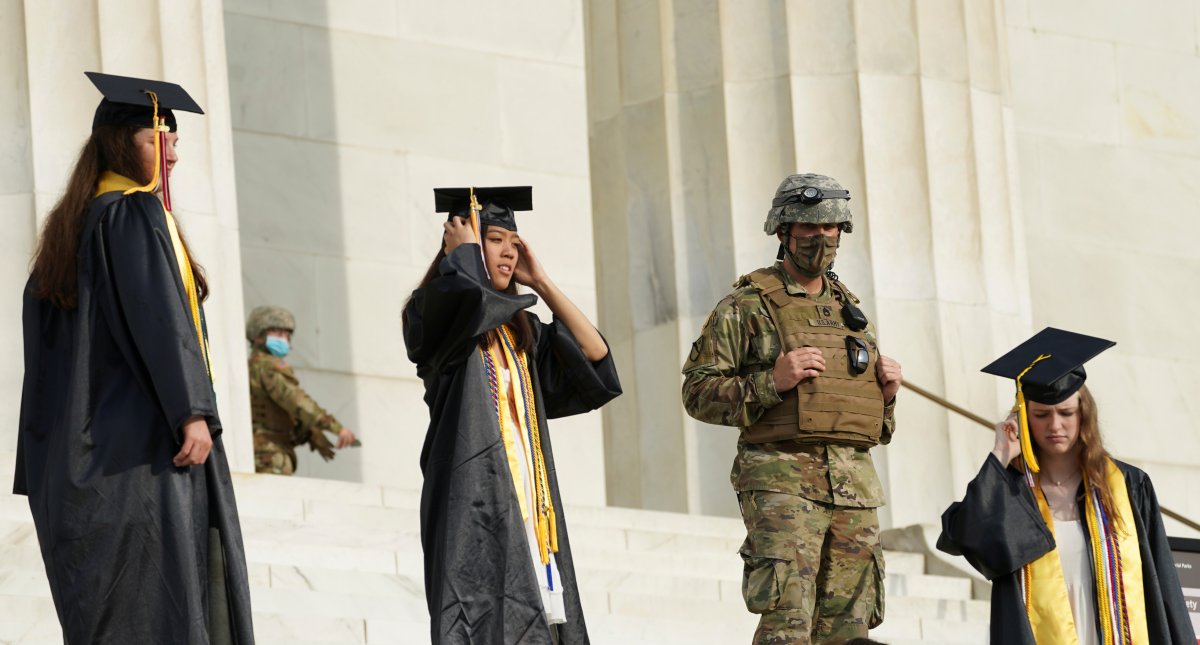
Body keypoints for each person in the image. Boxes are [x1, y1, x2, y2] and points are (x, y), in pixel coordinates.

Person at [13, 72, 254, 643]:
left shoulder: (67, 237)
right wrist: (190, 410)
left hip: (81, 470)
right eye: (156, 138)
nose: (171, 153)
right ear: (122, 143)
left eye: (173, 140)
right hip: (141, 456)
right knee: (162, 613)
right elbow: (160, 320)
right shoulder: (132, 214)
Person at [682, 173, 903, 644]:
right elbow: (697, 393)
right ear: (783, 231)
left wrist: (885, 397)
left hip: (855, 491)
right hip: (782, 485)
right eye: (808, 227)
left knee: (851, 632)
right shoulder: (746, 305)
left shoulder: (852, 315)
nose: (820, 238)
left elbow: (876, 429)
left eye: (830, 229)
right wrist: (770, 382)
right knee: (789, 624)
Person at [403, 186, 621, 644]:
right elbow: (465, 304)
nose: (507, 252)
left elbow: (595, 355)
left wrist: (540, 282)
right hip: (473, 497)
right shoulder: (432, 312)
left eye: (514, 243)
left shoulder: (521, 333)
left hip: (529, 501)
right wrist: (461, 256)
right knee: (480, 620)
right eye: (494, 238)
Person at [938, 327, 1195, 644]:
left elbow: (1162, 581)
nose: (1055, 425)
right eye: (1041, 415)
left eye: (1066, 413)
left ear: (1084, 414)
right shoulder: (1014, 492)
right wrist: (1001, 454)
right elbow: (965, 535)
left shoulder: (1128, 486)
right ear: (1023, 416)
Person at [245, 305, 357, 475]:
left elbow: (279, 410)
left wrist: (310, 432)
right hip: (269, 452)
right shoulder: (267, 366)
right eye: (276, 333)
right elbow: (295, 400)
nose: (283, 339)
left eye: (286, 334)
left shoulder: (256, 365)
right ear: (259, 336)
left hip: (270, 449)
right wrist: (335, 427)